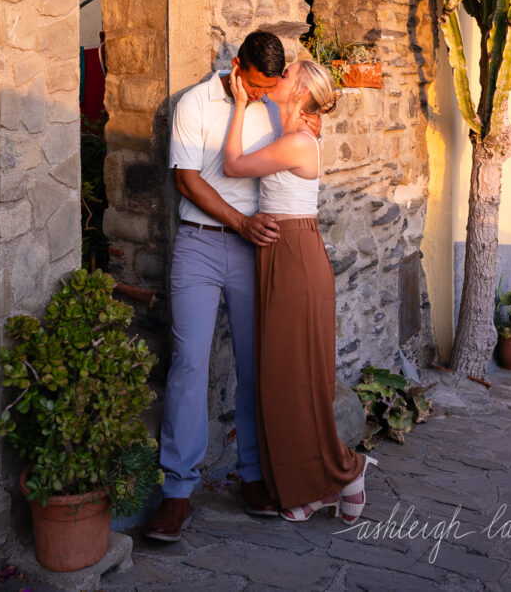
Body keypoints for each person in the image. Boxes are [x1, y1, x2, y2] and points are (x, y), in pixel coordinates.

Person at [144, 30, 286, 542]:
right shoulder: (193, 104)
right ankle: (177, 494)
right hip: (200, 244)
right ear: (236, 66)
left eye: (272, 87)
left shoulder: (272, 106)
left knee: (254, 362)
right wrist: (241, 223)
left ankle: (252, 476)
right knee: (188, 364)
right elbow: (187, 180)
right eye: (256, 84)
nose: (265, 95)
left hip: (256, 250)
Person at [223, 59, 377, 523]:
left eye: (286, 74)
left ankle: (347, 470)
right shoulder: (293, 132)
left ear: (298, 92)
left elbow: (232, 165)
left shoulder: (296, 142)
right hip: (279, 252)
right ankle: (308, 490)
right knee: (282, 379)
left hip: (293, 256)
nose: (278, 77)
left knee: (295, 379)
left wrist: (238, 105)